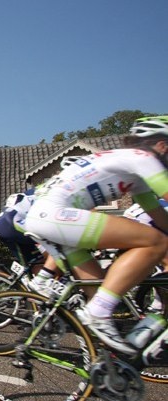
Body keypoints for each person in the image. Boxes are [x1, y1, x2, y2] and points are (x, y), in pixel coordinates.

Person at [23, 115, 168, 355]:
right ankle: (96, 312)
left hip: (49, 216)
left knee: (100, 290)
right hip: (56, 215)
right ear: (162, 145)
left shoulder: (133, 173)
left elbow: (160, 217)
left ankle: (105, 363)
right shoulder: (142, 158)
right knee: (156, 242)